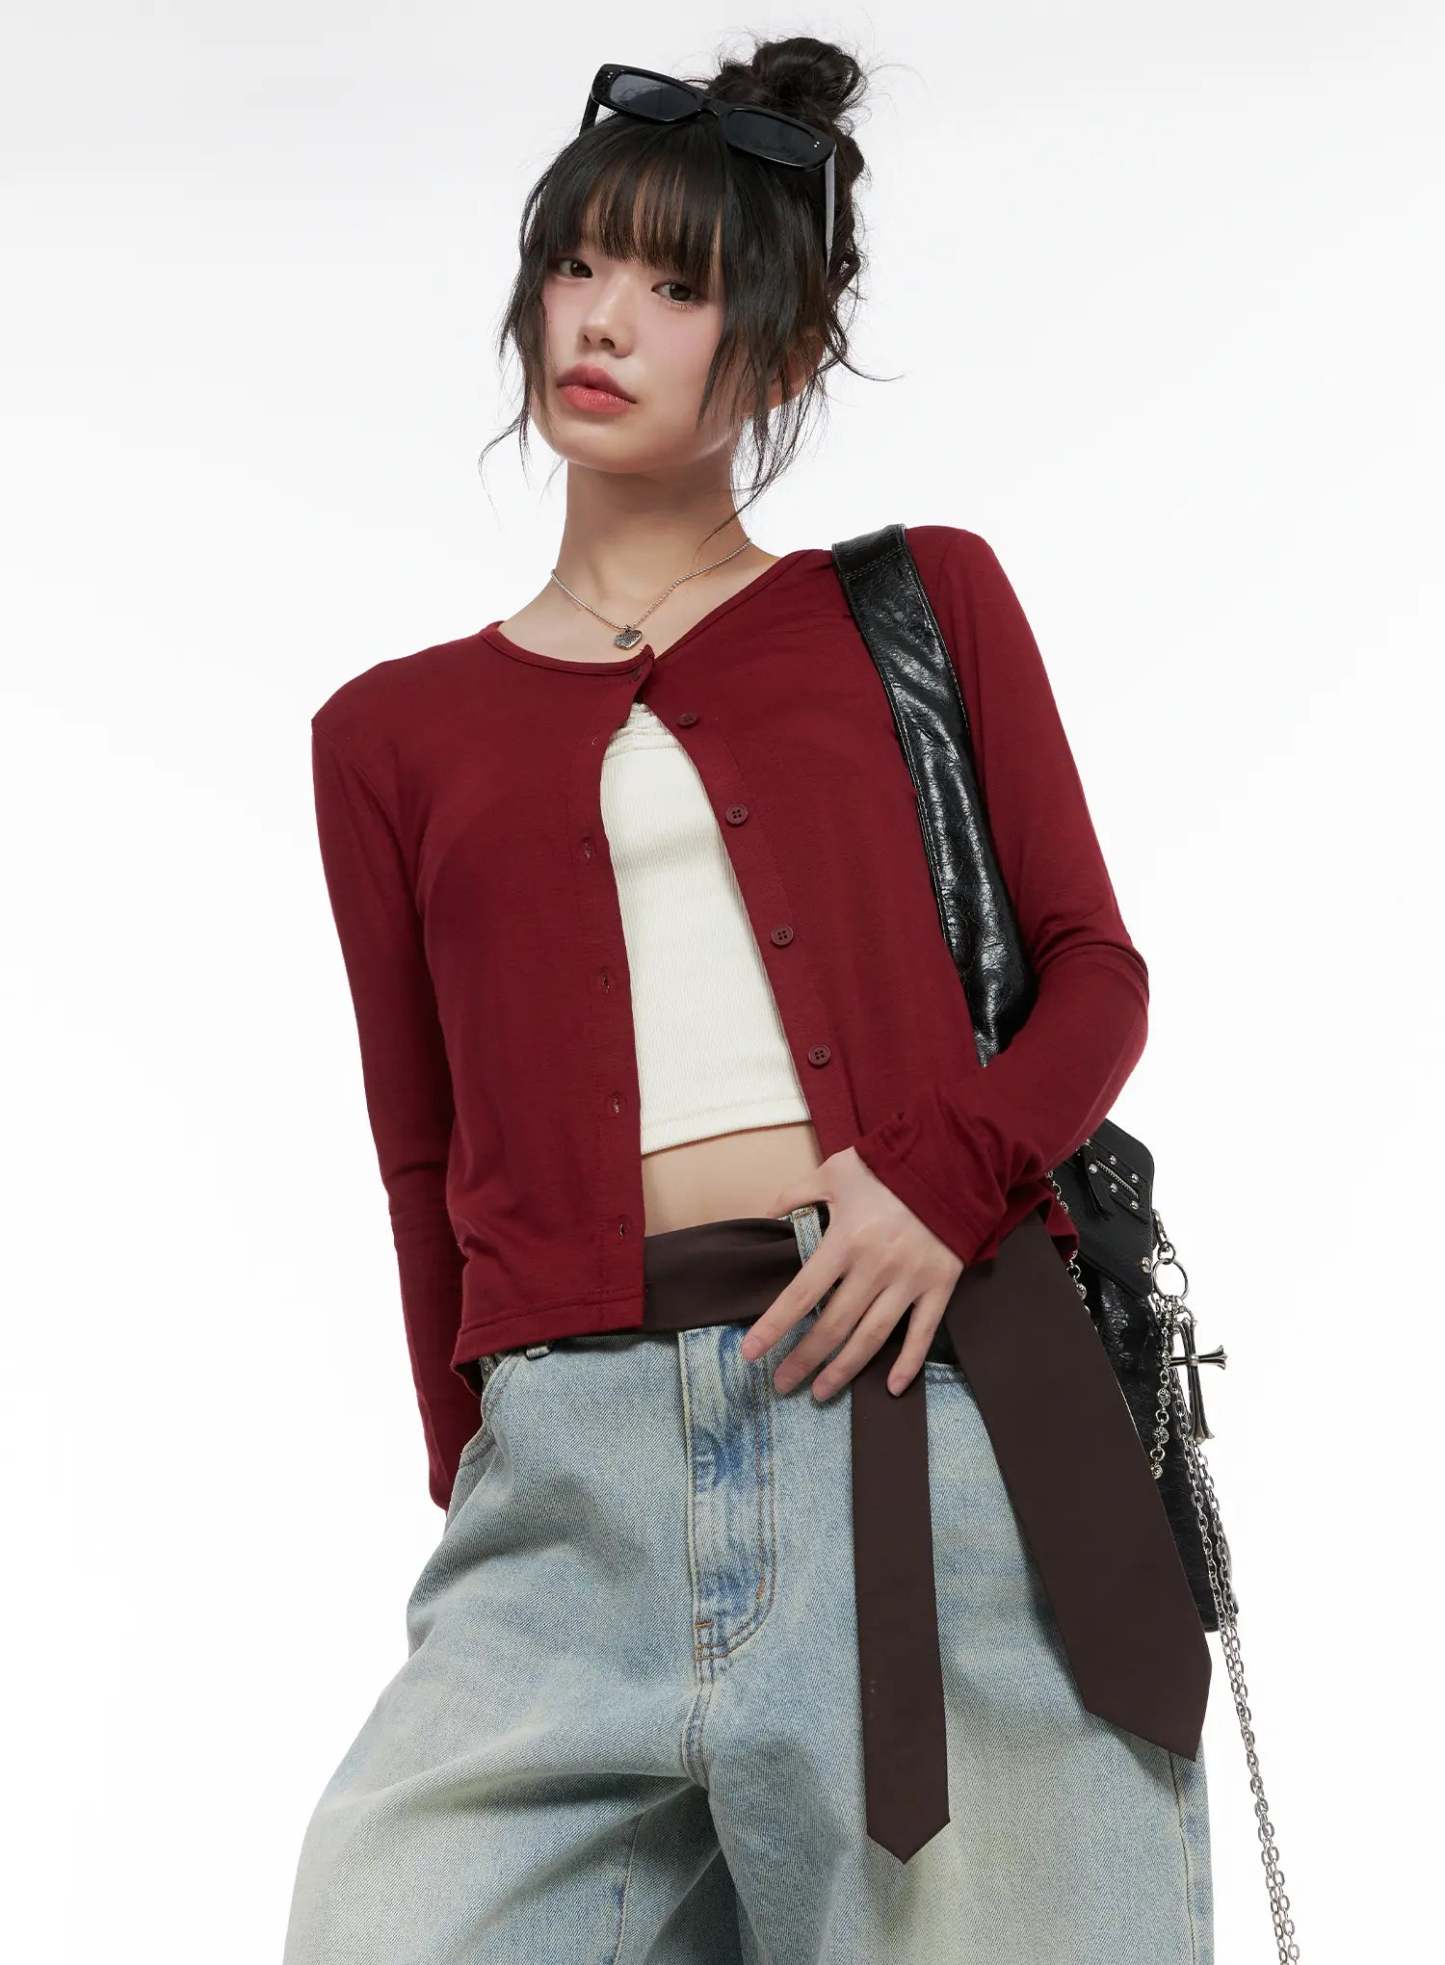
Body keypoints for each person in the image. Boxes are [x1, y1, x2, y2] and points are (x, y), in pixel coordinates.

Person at [281, 32, 1214, 1964]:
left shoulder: (922, 605)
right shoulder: (388, 736)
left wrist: (944, 1172)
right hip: (566, 1489)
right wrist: (482, 1467)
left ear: (779, 357)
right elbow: (418, 1155)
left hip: (926, 1413)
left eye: (676, 286)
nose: (603, 319)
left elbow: (1094, 975)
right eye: (576, 264)